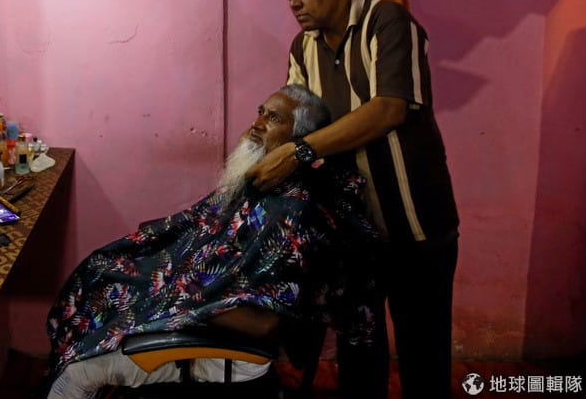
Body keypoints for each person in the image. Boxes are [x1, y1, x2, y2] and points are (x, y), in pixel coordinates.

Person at [46, 85, 379, 398]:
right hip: (198, 308)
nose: (256, 124)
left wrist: (173, 292)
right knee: (100, 270)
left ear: (299, 140)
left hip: (219, 347)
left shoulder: (291, 211)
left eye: (274, 118)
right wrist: (158, 253)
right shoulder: (264, 183)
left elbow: (265, 323)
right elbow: (202, 230)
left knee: (76, 373)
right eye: (261, 112)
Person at [247, 0, 460, 399]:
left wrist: (299, 152)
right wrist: (258, 146)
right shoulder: (302, 48)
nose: (295, 3)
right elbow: (297, 117)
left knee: (423, 352)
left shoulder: (388, 22)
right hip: (353, 231)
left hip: (415, 222)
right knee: (359, 353)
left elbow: (388, 109)